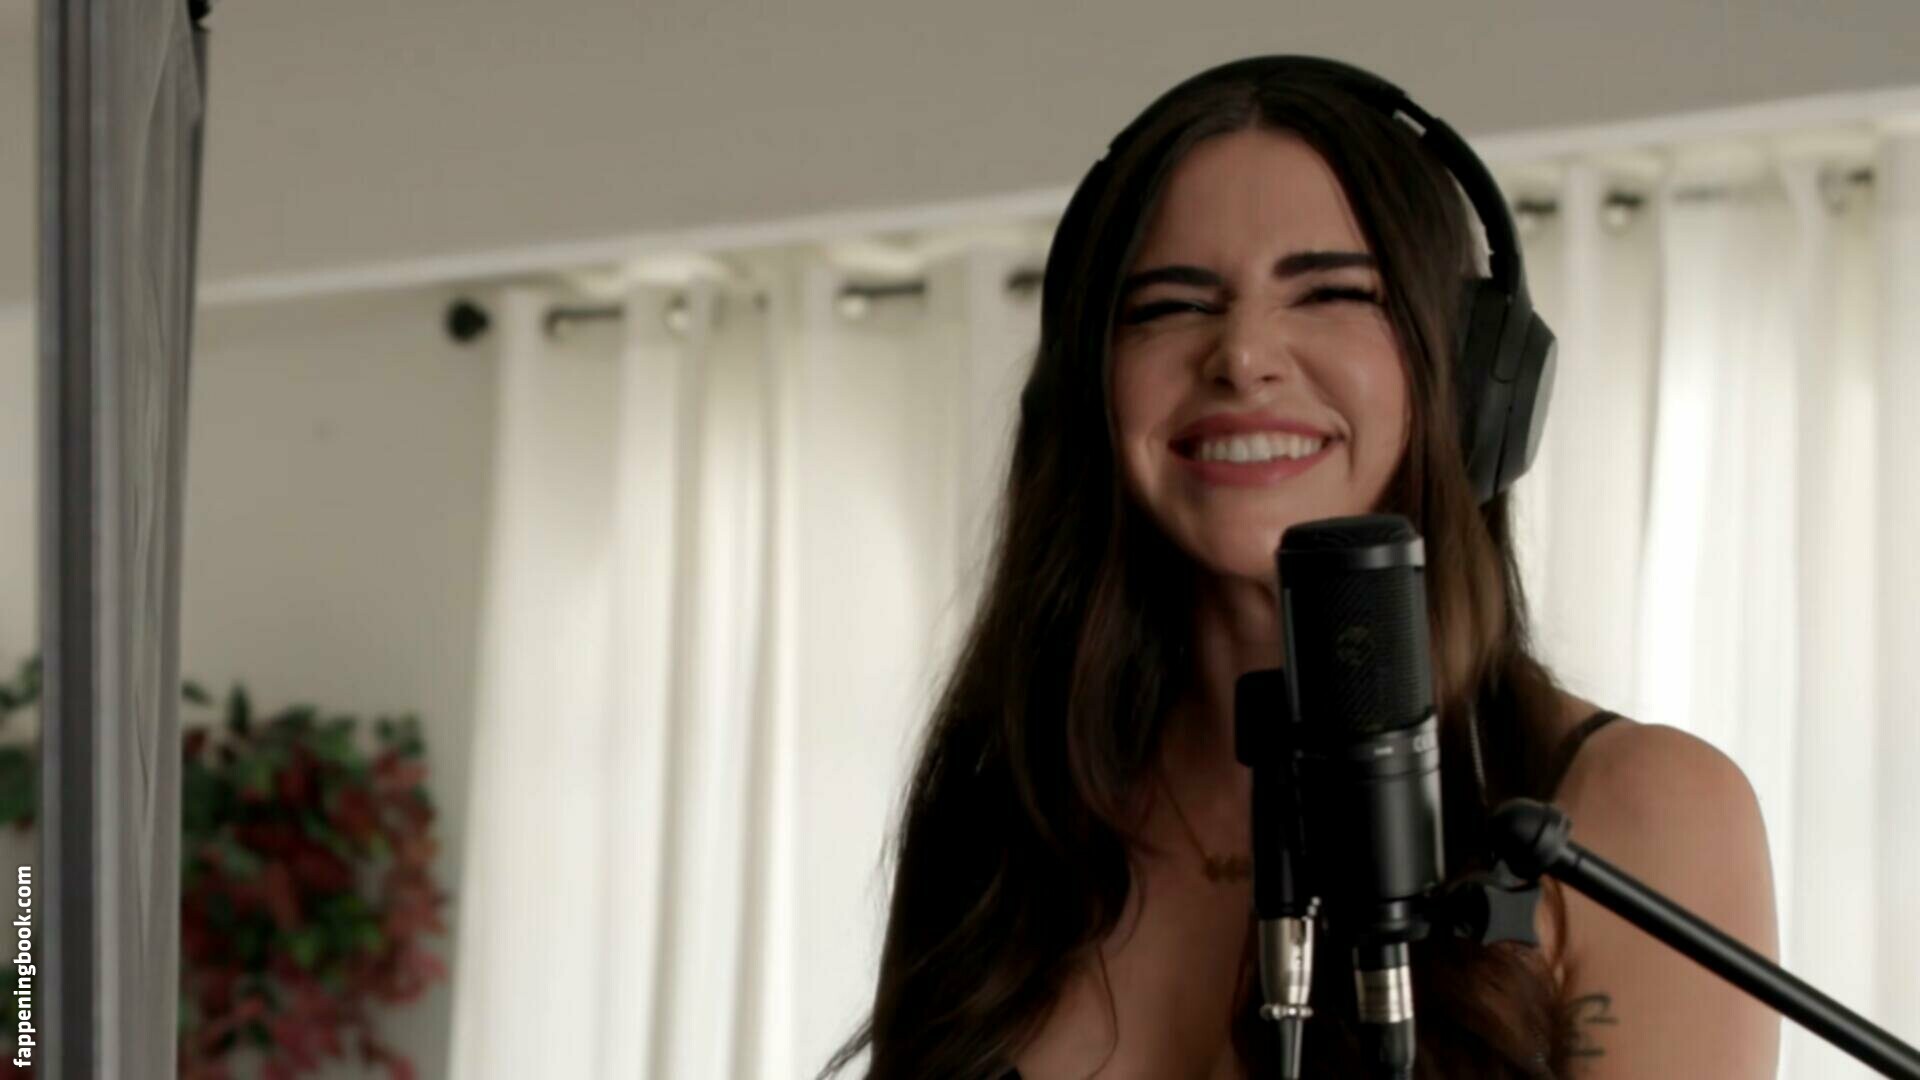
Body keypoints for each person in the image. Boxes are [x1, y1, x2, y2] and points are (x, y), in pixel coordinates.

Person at [819, 56, 1779, 1078]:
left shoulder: (1640, 813)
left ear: (1467, 380)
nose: (1242, 356)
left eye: (1330, 292)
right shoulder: (997, 817)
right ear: (1083, 393)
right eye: (1168, 306)